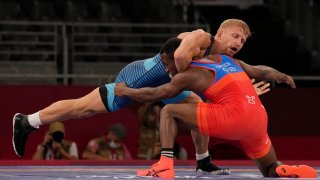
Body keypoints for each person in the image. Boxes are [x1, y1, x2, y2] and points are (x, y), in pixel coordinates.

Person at [13, 19, 293, 174]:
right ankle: (28, 121)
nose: (238, 44)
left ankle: (203, 159)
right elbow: (182, 55)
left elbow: (251, 71)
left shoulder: (219, 58)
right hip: (142, 75)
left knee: (199, 110)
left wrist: (276, 76)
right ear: (219, 32)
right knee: (85, 108)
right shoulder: (202, 38)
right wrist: (195, 83)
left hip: (172, 82)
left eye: (242, 41)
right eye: (234, 36)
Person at [114, 37, 317, 178]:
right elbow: (259, 71)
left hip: (234, 116)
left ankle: (165, 166)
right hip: (258, 116)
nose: (166, 70)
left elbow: (154, 94)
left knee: (169, 111)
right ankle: (282, 170)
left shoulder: (188, 74)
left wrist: (125, 91)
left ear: (177, 57)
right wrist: (281, 76)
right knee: (269, 168)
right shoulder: (224, 59)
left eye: (166, 64)